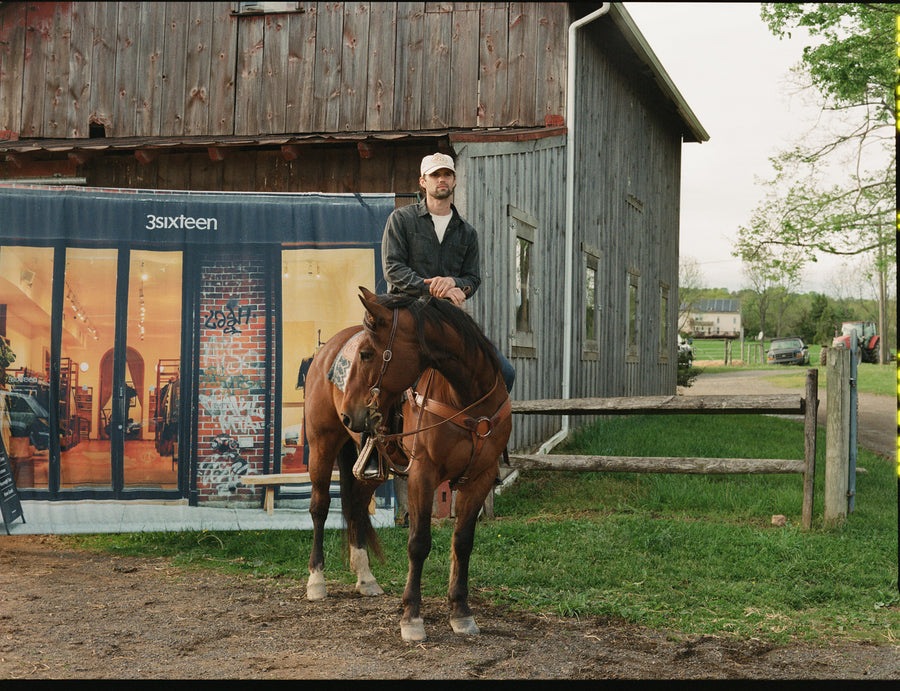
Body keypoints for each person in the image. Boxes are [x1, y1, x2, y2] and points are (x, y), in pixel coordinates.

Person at [381, 152, 516, 393]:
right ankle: (379, 429)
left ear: (454, 181)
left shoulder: (467, 232)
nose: (441, 179)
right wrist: (430, 286)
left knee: (505, 372)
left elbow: (472, 278)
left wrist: (454, 282)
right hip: (408, 313)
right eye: (435, 175)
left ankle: (480, 429)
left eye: (447, 174)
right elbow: (393, 269)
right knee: (385, 380)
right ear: (423, 182)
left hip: (449, 317)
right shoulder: (401, 220)